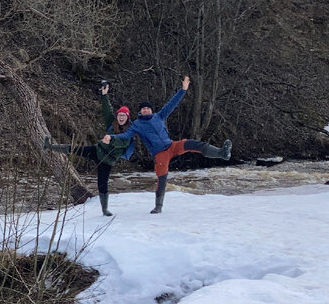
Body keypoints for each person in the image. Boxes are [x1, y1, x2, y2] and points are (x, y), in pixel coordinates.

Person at [106, 75, 231, 214]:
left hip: (171, 146)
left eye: (147, 108)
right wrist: (111, 137)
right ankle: (158, 206)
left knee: (193, 144)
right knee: (162, 178)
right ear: (140, 111)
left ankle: (222, 153)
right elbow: (126, 135)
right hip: (160, 154)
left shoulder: (159, 116)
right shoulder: (137, 124)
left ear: (151, 110)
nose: (145, 110)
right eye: (143, 109)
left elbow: (172, 103)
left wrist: (183, 90)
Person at [43, 83, 135, 216]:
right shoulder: (112, 122)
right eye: (120, 115)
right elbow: (107, 109)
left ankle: (105, 210)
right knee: (75, 149)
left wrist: (111, 139)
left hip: (107, 160)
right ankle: (50, 146)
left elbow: (123, 142)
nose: (121, 118)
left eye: (124, 116)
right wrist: (104, 95)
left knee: (102, 184)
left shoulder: (130, 130)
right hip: (97, 150)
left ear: (127, 117)